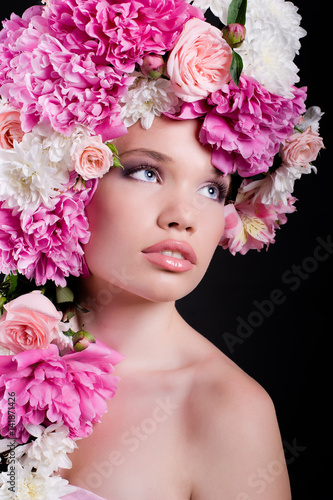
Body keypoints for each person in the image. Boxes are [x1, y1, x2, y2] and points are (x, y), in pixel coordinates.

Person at [0, 0, 324, 499]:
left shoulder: (229, 409)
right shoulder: (9, 352)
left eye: (212, 189)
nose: (183, 215)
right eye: (146, 172)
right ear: (67, 179)